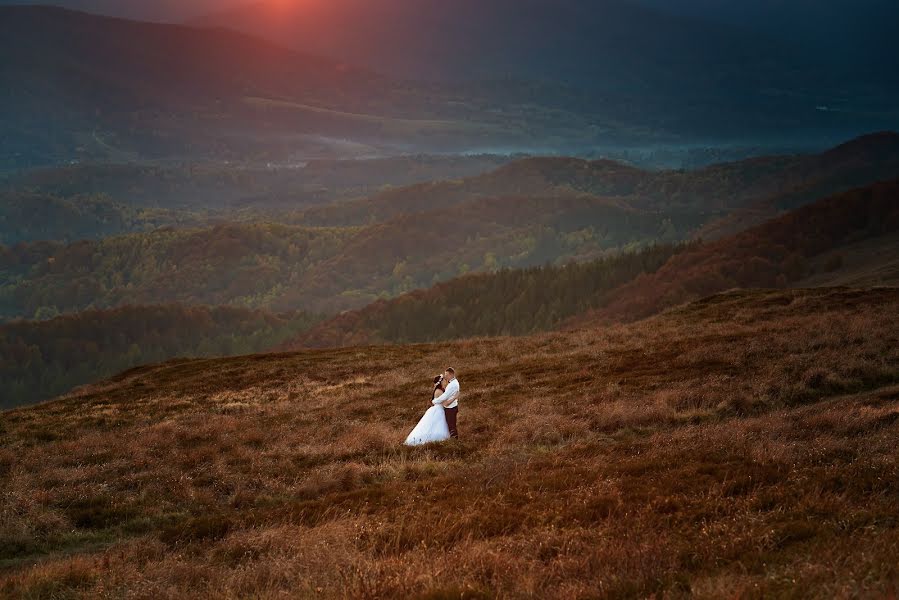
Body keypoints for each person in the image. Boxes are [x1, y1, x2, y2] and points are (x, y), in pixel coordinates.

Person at [404, 368, 460, 445]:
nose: (445, 380)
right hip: (439, 411)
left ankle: (452, 439)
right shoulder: (439, 391)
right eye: (444, 380)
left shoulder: (441, 389)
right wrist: (455, 397)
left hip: (439, 409)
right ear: (440, 382)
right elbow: (445, 403)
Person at [432, 367, 460, 438]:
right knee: (450, 425)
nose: (446, 377)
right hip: (447, 407)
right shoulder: (450, 384)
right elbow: (445, 399)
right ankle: (453, 438)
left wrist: (434, 401)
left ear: (451, 374)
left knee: (451, 425)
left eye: (447, 375)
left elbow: (445, 396)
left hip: (450, 408)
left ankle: (454, 439)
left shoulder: (452, 384)